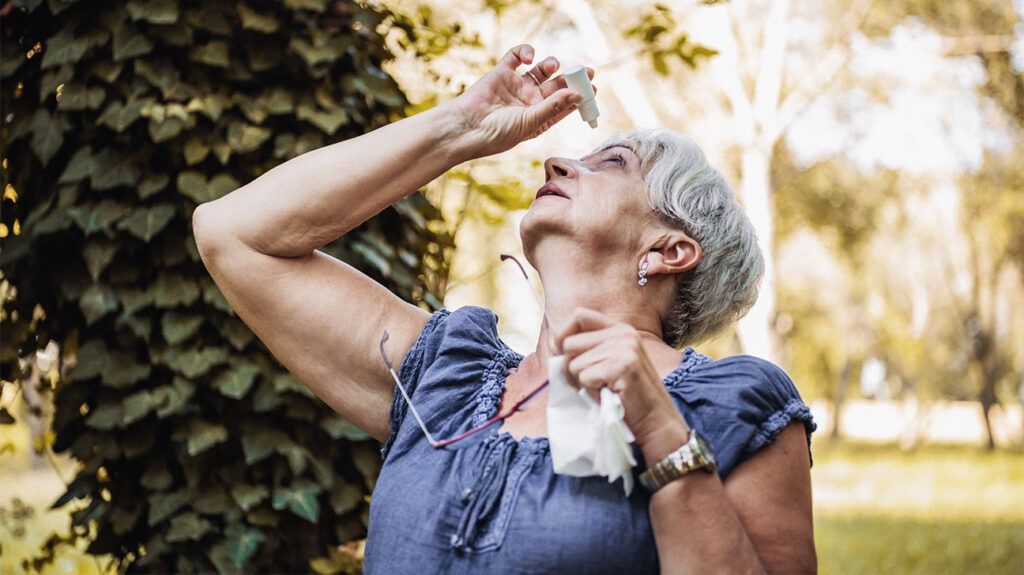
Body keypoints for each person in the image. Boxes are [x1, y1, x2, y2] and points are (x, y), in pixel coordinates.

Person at [193, 44, 818, 574]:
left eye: (612, 164)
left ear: (670, 249)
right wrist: (460, 128)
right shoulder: (445, 374)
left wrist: (660, 432)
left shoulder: (735, 402)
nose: (556, 161)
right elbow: (233, 233)